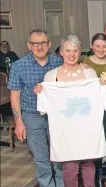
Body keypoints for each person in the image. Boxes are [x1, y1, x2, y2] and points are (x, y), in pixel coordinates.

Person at [36, 35, 104, 187]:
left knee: (88, 166)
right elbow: (46, 107)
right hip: (65, 131)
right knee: (70, 169)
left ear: (80, 53)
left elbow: (97, 100)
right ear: (61, 52)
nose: (71, 54)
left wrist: (101, 85)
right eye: (67, 50)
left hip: (87, 129)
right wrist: (41, 91)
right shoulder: (51, 76)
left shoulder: (90, 73)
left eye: (75, 51)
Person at [8, 29, 64, 187]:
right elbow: (15, 96)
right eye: (35, 44)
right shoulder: (19, 66)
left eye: (43, 43)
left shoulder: (59, 62)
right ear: (29, 45)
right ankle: (47, 184)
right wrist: (19, 123)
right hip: (32, 116)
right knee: (40, 157)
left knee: (59, 154)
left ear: (49, 44)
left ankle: (61, 184)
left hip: (56, 116)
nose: (40, 47)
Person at [81, 33, 106, 187]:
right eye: (97, 46)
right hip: (91, 110)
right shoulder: (83, 63)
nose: (101, 49)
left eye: (104, 46)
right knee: (96, 142)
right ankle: (97, 175)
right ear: (92, 46)